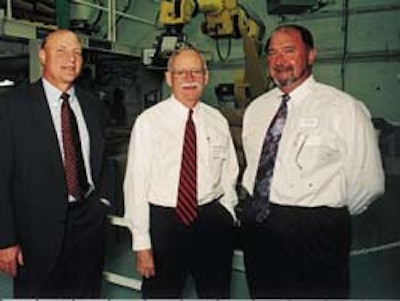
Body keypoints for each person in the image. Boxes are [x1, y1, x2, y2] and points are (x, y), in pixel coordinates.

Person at [239, 24, 385, 299]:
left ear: (311, 55)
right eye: (272, 53)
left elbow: (369, 182)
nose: (279, 60)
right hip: (260, 225)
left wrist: (324, 214)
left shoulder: (343, 108)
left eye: (289, 50)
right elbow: (254, 165)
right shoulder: (257, 109)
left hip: (316, 230)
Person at [0, 29, 112, 298]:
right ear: (42, 56)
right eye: (61, 51)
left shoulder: (93, 105)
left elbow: (103, 160)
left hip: (88, 227)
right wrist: (5, 240)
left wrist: (104, 203)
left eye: (77, 52)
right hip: (35, 234)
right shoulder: (12, 106)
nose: (70, 59)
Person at [124, 47, 239, 299]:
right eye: (181, 72)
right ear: (169, 78)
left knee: (216, 294)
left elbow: (230, 170)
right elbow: (136, 183)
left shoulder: (217, 120)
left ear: (206, 77)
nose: (189, 78)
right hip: (165, 224)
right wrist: (142, 243)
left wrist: (227, 210)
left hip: (211, 220)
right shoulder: (149, 122)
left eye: (195, 71)